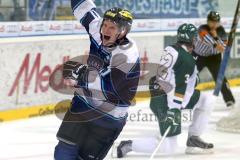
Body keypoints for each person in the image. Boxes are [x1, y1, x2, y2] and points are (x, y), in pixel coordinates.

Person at [54, 0, 140, 159]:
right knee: (63, 152)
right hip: (83, 104)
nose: (105, 30)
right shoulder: (97, 28)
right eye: (105, 25)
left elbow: (108, 89)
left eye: (112, 27)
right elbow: (83, 7)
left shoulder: (127, 54)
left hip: (109, 116)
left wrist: (82, 75)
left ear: (123, 32)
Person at [117, 24, 215, 158]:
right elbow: (179, 86)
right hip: (165, 101)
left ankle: (193, 138)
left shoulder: (173, 49)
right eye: (195, 38)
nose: (197, 41)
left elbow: (178, 78)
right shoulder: (186, 60)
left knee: (206, 100)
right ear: (192, 40)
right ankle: (128, 145)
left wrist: (193, 78)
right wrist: (173, 110)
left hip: (167, 94)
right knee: (169, 146)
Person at [193, 11, 235, 108]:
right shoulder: (202, 28)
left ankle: (229, 100)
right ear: (208, 21)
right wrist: (216, 43)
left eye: (216, 22)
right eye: (212, 21)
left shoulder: (221, 31)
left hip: (214, 58)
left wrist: (216, 37)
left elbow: (223, 47)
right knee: (189, 75)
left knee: (220, 77)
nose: (214, 24)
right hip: (198, 56)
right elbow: (206, 39)